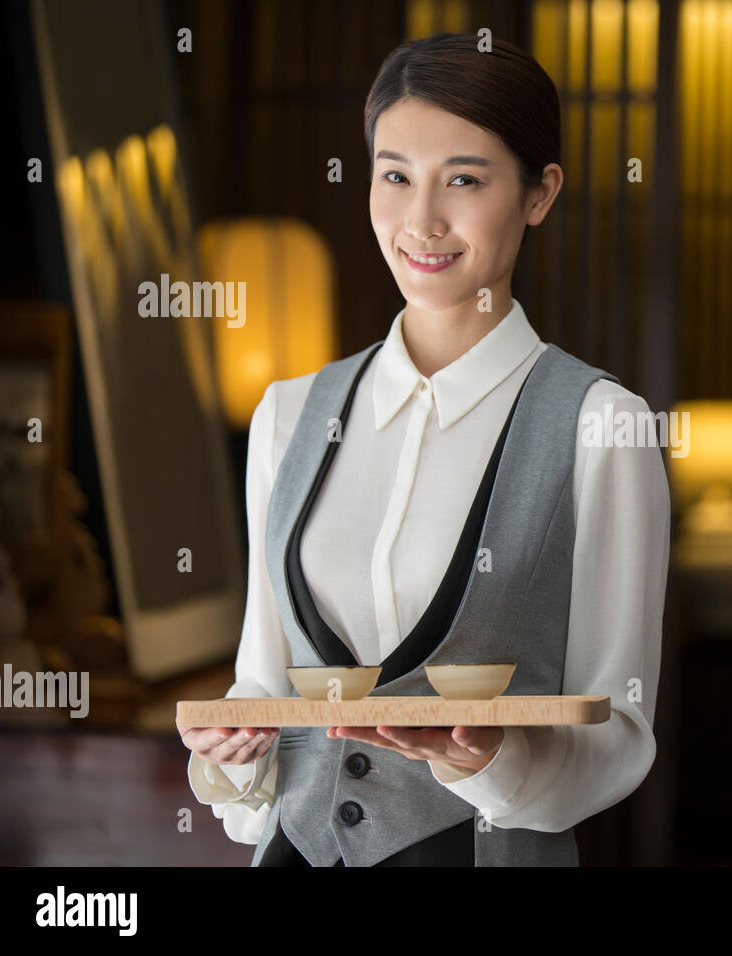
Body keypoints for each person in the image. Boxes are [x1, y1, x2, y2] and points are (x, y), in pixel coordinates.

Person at [178, 33, 669, 866]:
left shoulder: (600, 426)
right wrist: (231, 752)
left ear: (540, 193)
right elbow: (263, 682)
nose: (421, 220)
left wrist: (491, 759)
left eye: (465, 180)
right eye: (395, 174)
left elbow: (620, 733)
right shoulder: (289, 415)